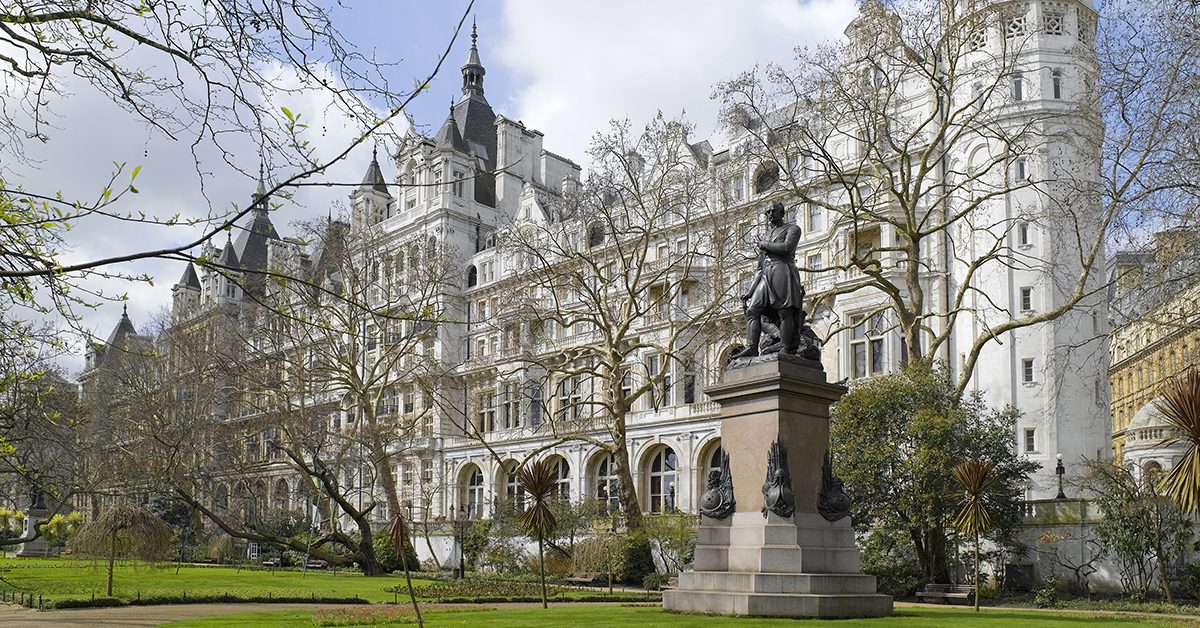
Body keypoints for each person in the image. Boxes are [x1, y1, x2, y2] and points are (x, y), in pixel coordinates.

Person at [734, 201, 805, 358]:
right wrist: (750, 291)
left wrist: (764, 245)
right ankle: (752, 347)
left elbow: (787, 248)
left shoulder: (792, 229)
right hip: (766, 274)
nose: (770, 214)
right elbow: (759, 268)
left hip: (782, 270)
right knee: (752, 310)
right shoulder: (766, 235)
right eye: (767, 212)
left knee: (784, 311)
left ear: (781, 212)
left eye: (773, 211)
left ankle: (786, 349)